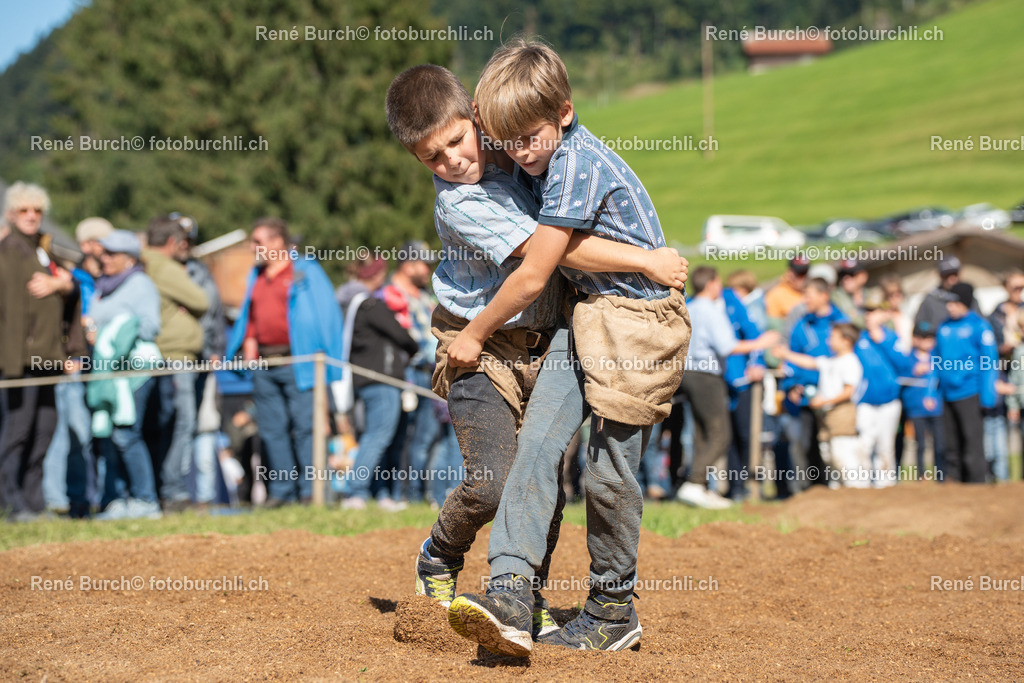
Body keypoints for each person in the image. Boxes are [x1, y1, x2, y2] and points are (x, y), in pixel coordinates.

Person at [384, 63, 686, 641]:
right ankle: (461, 564)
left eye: (457, 141)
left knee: (571, 469)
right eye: (432, 157)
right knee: (503, 475)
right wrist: (646, 259)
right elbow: (542, 264)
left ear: (476, 121)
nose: (451, 161)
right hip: (482, 344)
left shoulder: (531, 153)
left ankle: (560, 604)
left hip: (591, 328)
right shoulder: (462, 200)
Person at [224, 217, 344, 506]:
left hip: (301, 362)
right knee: (271, 429)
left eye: (257, 241)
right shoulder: (257, 275)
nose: (253, 247)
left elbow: (328, 317)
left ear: (277, 242)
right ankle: (282, 492)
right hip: (265, 365)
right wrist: (249, 341)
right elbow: (250, 315)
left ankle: (311, 492)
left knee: (306, 428)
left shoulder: (306, 270)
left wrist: (330, 363)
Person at [0, 182, 87, 522]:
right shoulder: (7, 252)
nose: (32, 216)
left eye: (37, 210)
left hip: (48, 360)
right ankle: (11, 503)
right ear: (11, 213)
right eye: (24, 210)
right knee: (16, 432)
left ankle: (34, 502)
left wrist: (63, 285)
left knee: (44, 431)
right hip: (16, 361)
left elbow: (72, 284)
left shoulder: (44, 252)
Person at [676, 266, 777, 508]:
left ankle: (698, 487)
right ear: (711, 284)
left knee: (702, 433)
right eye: (718, 283)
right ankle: (694, 483)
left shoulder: (689, 306)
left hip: (686, 373)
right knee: (720, 434)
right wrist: (761, 342)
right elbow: (727, 346)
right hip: (707, 376)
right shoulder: (711, 309)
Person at [87, 230, 163, 520]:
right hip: (107, 371)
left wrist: (115, 332)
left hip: (134, 369)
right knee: (108, 435)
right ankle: (115, 500)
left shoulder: (141, 284)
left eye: (111, 254)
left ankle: (145, 500)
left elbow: (149, 326)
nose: (104, 259)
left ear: (129, 259)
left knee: (126, 434)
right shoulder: (103, 286)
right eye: (103, 253)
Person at [42, 217, 113, 518]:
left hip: (101, 369)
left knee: (88, 436)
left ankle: (85, 498)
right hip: (71, 366)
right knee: (66, 434)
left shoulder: (105, 279)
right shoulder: (74, 279)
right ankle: (60, 501)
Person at [337, 256, 419, 511]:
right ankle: (356, 492)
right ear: (376, 274)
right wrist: (414, 345)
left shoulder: (349, 304)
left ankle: (381, 494)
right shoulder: (371, 305)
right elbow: (403, 336)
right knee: (378, 436)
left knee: (381, 437)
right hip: (381, 380)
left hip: (365, 381)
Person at [142, 215, 210, 511]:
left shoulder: (142, 264)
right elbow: (202, 300)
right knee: (181, 423)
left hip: (164, 357)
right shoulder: (164, 267)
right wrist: (184, 308)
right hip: (174, 357)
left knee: (166, 422)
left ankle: (165, 489)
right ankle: (173, 490)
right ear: (171, 243)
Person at [379, 241, 442, 504]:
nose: (428, 268)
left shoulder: (425, 296)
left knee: (425, 437)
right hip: (404, 374)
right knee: (400, 436)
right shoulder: (388, 296)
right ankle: (400, 494)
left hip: (428, 372)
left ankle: (417, 494)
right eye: (423, 263)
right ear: (407, 265)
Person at [774, 323, 864, 487]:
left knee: (842, 453)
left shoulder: (850, 362)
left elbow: (848, 391)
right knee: (828, 455)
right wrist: (786, 354)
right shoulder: (831, 361)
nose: (828, 341)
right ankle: (837, 491)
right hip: (826, 415)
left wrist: (824, 401)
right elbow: (808, 362)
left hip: (841, 413)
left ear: (846, 341)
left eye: (833, 337)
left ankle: (856, 489)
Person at [778, 278, 847, 491]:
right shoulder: (801, 324)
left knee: (835, 445)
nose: (805, 300)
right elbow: (793, 358)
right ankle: (812, 491)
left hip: (837, 397)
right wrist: (791, 385)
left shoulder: (841, 322)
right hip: (807, 396)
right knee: (807, 444)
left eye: (810, 295)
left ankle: (838, 489)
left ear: (824, 295)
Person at [934, 282, 997, 483]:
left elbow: (989, 361)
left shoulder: (980, 326)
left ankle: (976, 484)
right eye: (948, 303)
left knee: (972, 442)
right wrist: (931, 391)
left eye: (954, 303)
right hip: (947, 393)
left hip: (970, 392)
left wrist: (988, 395)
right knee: (951, 444)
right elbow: (936, 361)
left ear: (964, 303)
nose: (949, 307)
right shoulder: (943, 327)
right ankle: (955, 483)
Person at [857, 297, 915, 487]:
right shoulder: (860, 339)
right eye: (867, 312)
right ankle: (862, 485)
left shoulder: (891, 338)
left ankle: (886, 486)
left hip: (889, 401)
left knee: (886, 446)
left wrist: (882, 341)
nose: (869, 316)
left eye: (873, 311)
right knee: (864, 445)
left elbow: (905, 365)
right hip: (865, 401)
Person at [900, 322, 944, 479]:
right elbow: (899, 379)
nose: (927, 341)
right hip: (916, 409)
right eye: (922, 338)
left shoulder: (938, 357)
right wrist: (913, 372)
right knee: (921, 445)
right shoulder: (907, 359)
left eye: (930, 338)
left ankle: (941, 476)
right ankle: (921, 476)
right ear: (915, 339)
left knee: (940, 444)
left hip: (936, 408)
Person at [915, 255, 977, 329]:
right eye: (946, 275)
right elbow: (920, 326)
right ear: (940, 276)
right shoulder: (930, 300)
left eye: (954, 274)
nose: (951, 279)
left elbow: (980, 321)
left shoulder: (968, 297)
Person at [765, 256, 809, 321]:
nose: (802, 278)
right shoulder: (775, 295)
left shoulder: (810, 291)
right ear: (789, 273)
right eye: (799, 274)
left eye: (805, 273)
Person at [832, 259, 867, 327]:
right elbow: (850, 321)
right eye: (843, 274)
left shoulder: (873, 294)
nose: (845, 278)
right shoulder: (836, 296)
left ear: (863, 276)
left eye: (851, 274)